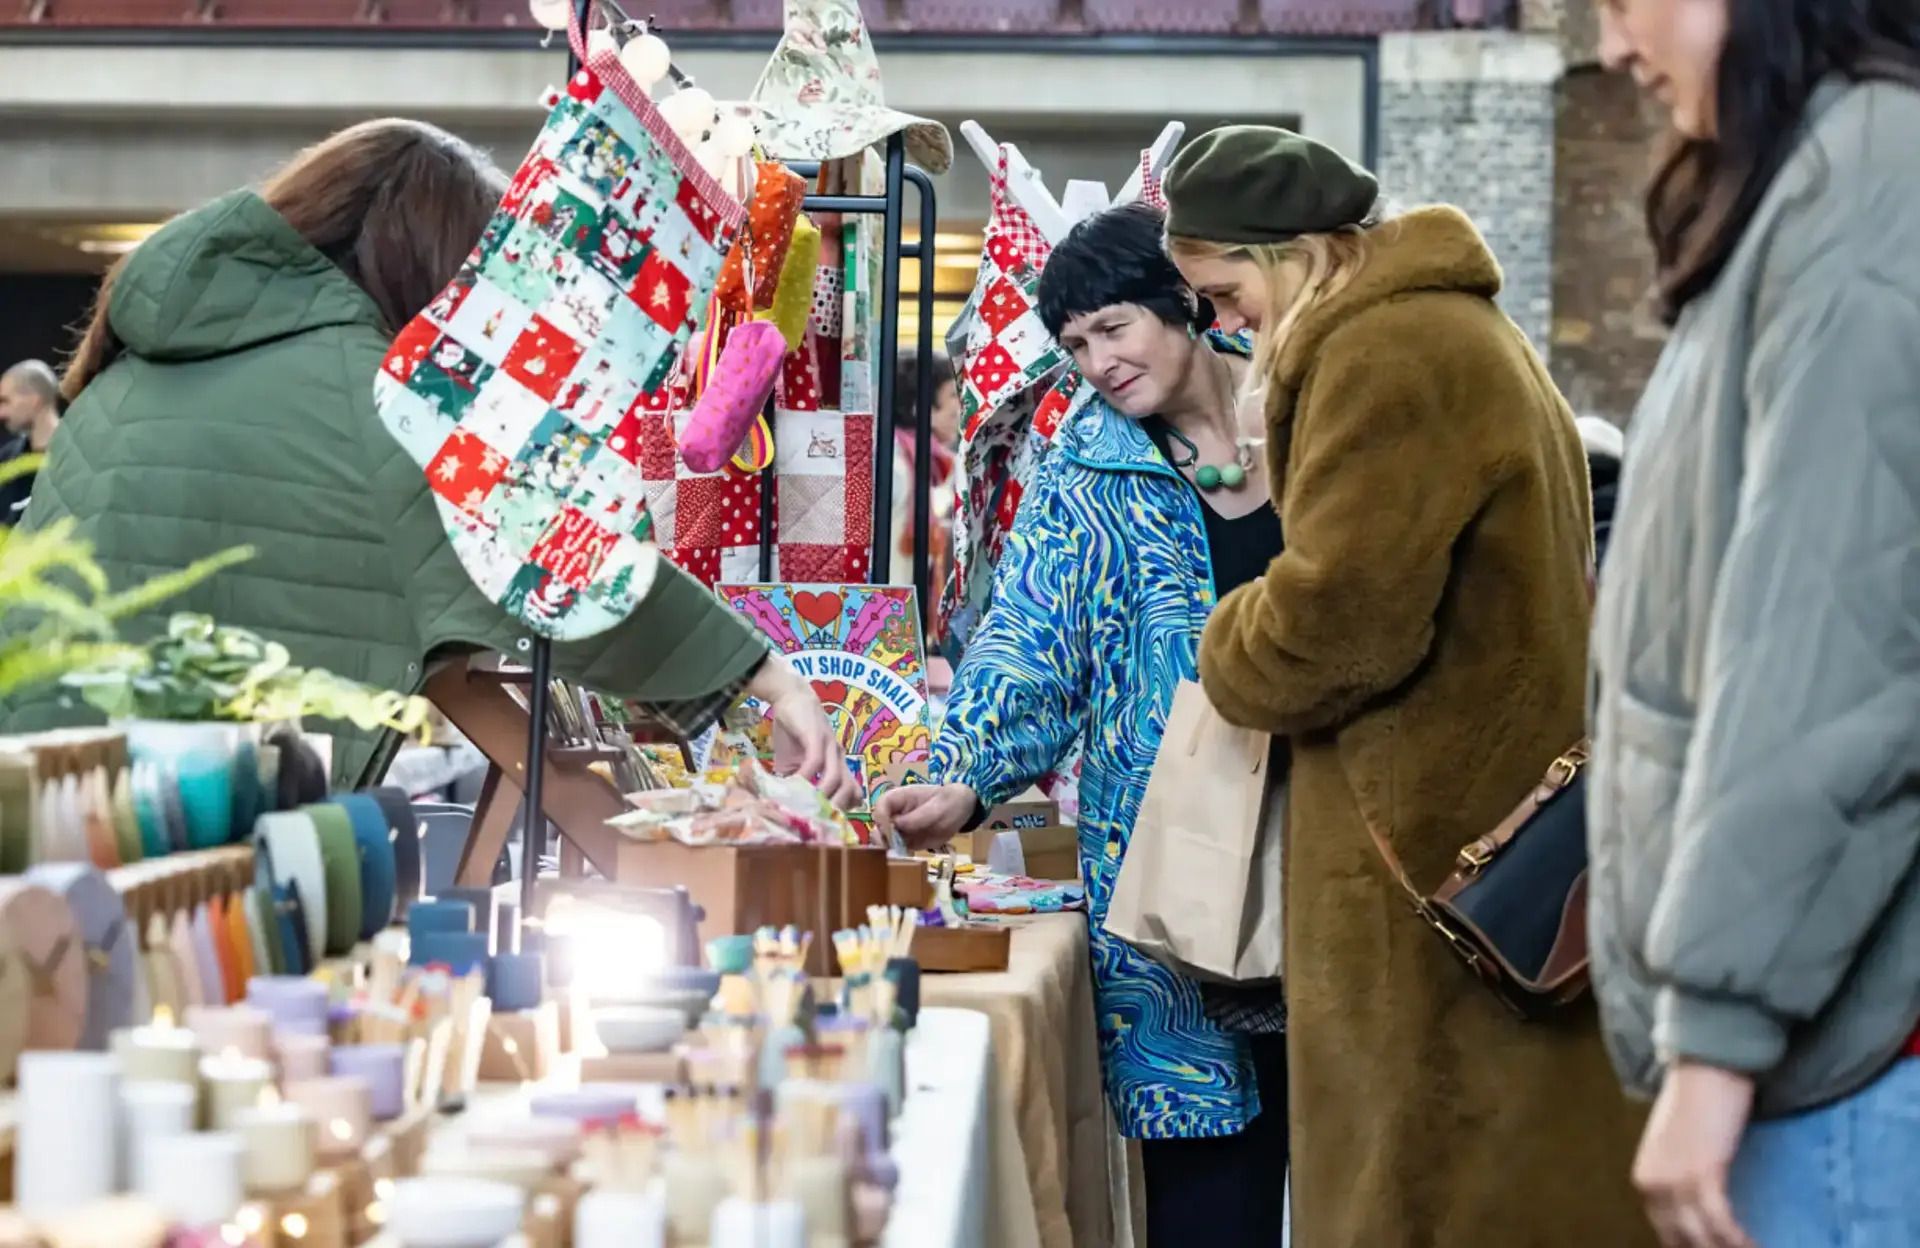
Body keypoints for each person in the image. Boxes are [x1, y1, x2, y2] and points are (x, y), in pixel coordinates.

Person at [2, 119, 854, 807]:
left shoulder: (123, 376)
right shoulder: (376, 397)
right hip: (184, 817)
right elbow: (557, 564)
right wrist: (766, 676)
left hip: (38, 791)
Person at [1162, 125, 1653, 1248]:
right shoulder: (1454, 330)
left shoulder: (1384, 352)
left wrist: (1226, 638)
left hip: (1427, 866)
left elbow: (1335, 628)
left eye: (1225, 291)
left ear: (1291, 255)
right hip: (1486, 836)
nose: (1225, 322)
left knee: (1424, 1184)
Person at [877, 202, 1289, 1245]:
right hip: (1172, 878)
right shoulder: (1084, 473)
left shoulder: (1313, 414)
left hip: (1338, 854)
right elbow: (1029, 645)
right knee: (1210, 1202)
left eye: (1114, 327)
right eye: (1074, 344)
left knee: (1369, 1175)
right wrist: (963, 773)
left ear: (1183, 301)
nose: (1098, 362)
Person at [1587, 3, 1920, 1245]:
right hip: (1819, 1032)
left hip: (1845, 1058)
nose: (1613, 47)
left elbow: (1833, 659)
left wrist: (1717, 1043)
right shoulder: (1823, 177)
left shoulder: (1867, 185)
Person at [887, 348, 958, 634]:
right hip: (886, 618)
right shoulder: (897, 465)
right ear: (922, 406)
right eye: (952, 394)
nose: (959, 407)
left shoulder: (918, 462)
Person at [0, 359, 61, 522]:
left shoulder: (80, 453)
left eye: (5, 401)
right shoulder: (6, 459)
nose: (1, 413)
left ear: (34, 399)